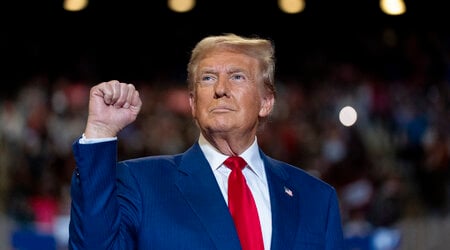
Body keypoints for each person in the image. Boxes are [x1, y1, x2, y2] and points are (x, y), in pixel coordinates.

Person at [69, 33, 345, 250]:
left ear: (266, 102)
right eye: (208, 78)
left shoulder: (316, 199)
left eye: (237, 76)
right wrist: (101, 131)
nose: (220, 89)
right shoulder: (142, 184)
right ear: (192, 102)